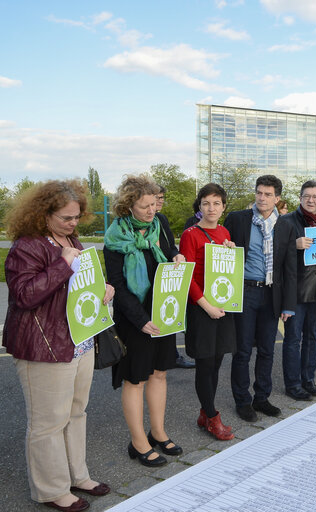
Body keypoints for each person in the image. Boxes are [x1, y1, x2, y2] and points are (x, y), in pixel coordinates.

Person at [3, 180, 113, 512]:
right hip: (44, 345)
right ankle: (51, 489)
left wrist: (103, 288)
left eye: (77, 216)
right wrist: (62, 264)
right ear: (44, 213)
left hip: (78, 340)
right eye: (66, 218)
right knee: (48, 421)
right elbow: (24, 296)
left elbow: (79, 287)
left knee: (76, 413)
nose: (73, 223)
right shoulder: (26, 246)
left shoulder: (70, 239)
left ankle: (76, 475)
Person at [104, 174, 186, 468]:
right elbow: (117, 284)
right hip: (133, 318)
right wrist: (140, 321)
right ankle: (138, 442)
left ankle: (158, 432)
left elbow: (169, 250)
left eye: (154, 204)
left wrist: (176, 256)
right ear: (127, 207)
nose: (151, 211)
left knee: (160, 373)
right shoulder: (115, 237)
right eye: (144, 206)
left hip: (163, 310)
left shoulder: (159, 224)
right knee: (135, 379)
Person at [224, 175, 296, 422]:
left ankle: (261, 397)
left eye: (268, 194)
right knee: (242, 350)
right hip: (245, 291)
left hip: (272, 294)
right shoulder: (237, 219)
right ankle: (242, 401)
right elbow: (221, 248)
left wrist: (288, 304)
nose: (262, 198)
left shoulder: (285, 224)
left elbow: (289, 267)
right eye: (259, 193)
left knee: (267, 349)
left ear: (277, 198)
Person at [179, 184, 237, 441]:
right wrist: (207, 307)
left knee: (216, 362)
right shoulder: (190, 234)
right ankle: (212, 417)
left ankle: (205, 412)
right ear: (199, 206)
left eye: (216, 203)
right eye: (206, 203)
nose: (211, 208)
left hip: (222, 305)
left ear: (224, 207)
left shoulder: (224, 231)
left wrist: (231, 253)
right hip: (202, 307)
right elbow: (187, 276)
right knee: (204, 364)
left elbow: (226, 271)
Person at [280, 180, 316, 399]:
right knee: (293, 339)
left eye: (315, 197)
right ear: (300, 198)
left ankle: (308, 379)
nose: (311, 200)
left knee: (313, 336)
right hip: (296, 289)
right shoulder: (286, 221)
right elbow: (275, 253)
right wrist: (294, 244)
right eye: (307, 196)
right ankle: (292, 384)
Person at [156, 186, 196, 369]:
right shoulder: (127, 225)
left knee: (169, 317)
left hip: (167, 279)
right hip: (149, 282)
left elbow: (171, 246)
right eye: (157, 197)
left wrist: (175, 255)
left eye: (162, 197)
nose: (161, 201)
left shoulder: (161, 219)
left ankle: (172, 356)